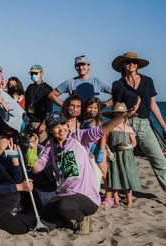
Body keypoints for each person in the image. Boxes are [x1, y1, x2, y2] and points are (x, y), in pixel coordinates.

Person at [31, 111, 129, 235]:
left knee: (64, 206)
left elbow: (102, 129)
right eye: (56, 127)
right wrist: (33, 149)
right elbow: (36, 168)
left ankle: (83, 220)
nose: (61, 129)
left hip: (87, 198)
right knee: (45, 216)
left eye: (62, 124)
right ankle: (66, 219)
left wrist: (120, 118)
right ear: (50, 130)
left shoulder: (79, 137)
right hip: (63, 194)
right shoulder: (51, 148)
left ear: (67, 125)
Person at [111, 51, 166, 191]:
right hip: (126, 125)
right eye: (128, 62)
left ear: (138, 65)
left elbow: (153, 105)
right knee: (122, 160)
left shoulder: (148, 81)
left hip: (144, 124)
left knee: (159, 160)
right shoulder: (118, 84)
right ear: (123, 64)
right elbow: (117, 109)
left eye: (134, 62)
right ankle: (119, 192)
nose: (131, 64)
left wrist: (164, 125)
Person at [102, 103, 140, 208]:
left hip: (127, 158)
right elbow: (105, 142)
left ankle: (129, 201)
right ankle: (117, 201)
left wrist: (129, 146)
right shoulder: (110, 127)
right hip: (114, 156)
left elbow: (134, 143)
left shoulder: (128, 128)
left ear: (125, 116)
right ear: (113, 116)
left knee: (127, 176)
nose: (119, 117)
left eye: (121, 114)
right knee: (115, 175)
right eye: (116, 115)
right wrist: (108, 151)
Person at [24, 65, 53, 136]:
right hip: (30, 122)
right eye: (32, 73)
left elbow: (49, 109)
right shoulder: (29, 87)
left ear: (42, 73)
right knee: (31, 147)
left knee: (42, 146)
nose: (33, 75)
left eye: (36, 73)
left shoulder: (47, 88)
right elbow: (27, 105)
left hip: (41, 123)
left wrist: (44, 123)